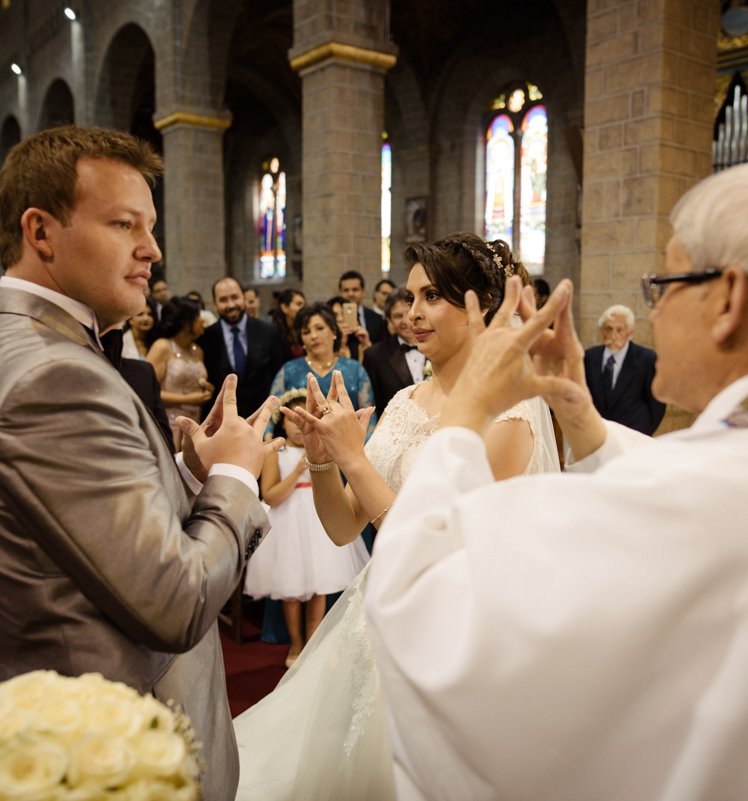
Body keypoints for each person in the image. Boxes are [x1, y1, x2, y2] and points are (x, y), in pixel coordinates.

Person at [364, 159, 748, 800]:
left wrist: (468, 409)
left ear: (728, 299)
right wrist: (584, 421)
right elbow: (700, 481)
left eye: (663, 282)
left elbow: (420, 616)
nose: (652, 309)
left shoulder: (708, 500)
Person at [0, 125, 283, 801]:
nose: (152, 249)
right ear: (41, 231)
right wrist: (236, 477)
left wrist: (190, 476)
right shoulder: (55, 376)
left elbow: (70, 537)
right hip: (116, 746)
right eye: (124, 224)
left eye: (149, 226)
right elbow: (175, 603)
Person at [232, 233, 560, 801]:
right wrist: (322, 458)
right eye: (409, 298)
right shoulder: (406, 401)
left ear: (480, 305)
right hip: (379, 612)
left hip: (455, 629)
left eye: (432, 296)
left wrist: (355, 457)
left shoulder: (512, 414)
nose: (412, 314)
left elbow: (443, 546)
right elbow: (341, 527)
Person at [244, 390, 369, 667]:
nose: (299, 427)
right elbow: (271, 495)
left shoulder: (325, 447)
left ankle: (313, 642)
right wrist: (301, 469)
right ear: (284, 422)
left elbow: (335, 490)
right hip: (288, 522)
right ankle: (296, 645)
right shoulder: (279, 451)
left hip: (318, 520)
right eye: (293, 420)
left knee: (318, 585)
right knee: (291, 587)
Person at [266, 301, 376, 439]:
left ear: (334, 331)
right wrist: (268, 438)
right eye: (306, 332)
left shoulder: (354, 368)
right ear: (301, 339)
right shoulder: (289, 370)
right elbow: (269, 412)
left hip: (348, 444)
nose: (313, 336)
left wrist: (365, 446)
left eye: (319, 328)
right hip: (302, 447)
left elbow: (369, 414)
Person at [201, 277, 286, 419]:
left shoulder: (268, 332)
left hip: (262, 419)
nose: (231, 304)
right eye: (223, 300)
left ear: (244, 297)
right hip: (222, 423)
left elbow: (278, 376)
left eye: (235, 297)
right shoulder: (205, 338)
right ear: (215, 304)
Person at [583, 303, 666, 435]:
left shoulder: (646, 359)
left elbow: (657, 404)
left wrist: (643, 433)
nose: (613, 336)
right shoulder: (590, 357)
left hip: (632, 436)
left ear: (630, 331)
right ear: (601, 330)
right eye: (608, 329)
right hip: (597, 435)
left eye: (619, 330)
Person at [148, 297, 214, 448]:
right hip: (169, 424)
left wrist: (204, 388)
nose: (202, 321)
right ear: (186, 323)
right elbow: (149, 392)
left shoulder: (197, 351)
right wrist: (189, 399)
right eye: (198, 317)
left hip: (195, 423)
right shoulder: (162, 347)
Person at [363, 286, 426, 416]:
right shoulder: (374, 356)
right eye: (398, 316)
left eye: (409, 313)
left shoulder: (439, 347)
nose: (406, 321)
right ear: (389, 321)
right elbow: (375, 406)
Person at [339, 269, 387, 347]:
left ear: (363, 292)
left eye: (355, 290)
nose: (350, 294)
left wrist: (367, 344)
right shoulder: (333, 318)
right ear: (340, 292)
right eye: (346, 290)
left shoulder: (377, 318)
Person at [329, 295, 371, 362]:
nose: (340, 319)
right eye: (335, 315)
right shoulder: (324, 344)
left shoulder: (359, 343)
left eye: (343, 314)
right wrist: (341, 345)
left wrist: (366, 345)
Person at [269, 288, 305, 361]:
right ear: (284, 308)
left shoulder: (304, 329)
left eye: (304, 305)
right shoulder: (275, 333)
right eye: (298, 304)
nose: (303, 308)